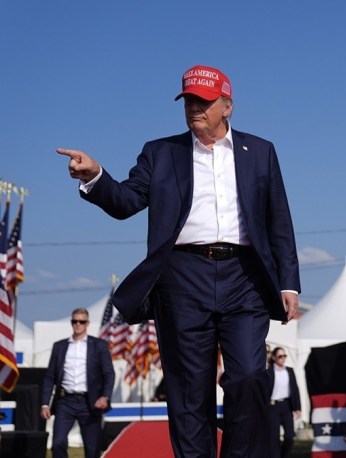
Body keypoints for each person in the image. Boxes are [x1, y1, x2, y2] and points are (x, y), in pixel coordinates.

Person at [56, 65, 300, 457]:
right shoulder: (160, 152)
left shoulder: (260, 151)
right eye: (188, 101)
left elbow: (279, 221)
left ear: (227, 106)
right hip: (182, 279)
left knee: (249, 377)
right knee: (188, 391)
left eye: (203, 101)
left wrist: (288, 283)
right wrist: (96, 176)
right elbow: (126, 202)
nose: (194, 108)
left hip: (246, 277)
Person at [40, 308, 115, 458]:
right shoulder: (59, 346)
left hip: (90, 403)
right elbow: (50, 377)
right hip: (65, 402)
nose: (78, 324)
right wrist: (44, 404)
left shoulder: (99, 345)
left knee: (92, 448)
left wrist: (105, 396)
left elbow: (109, 373)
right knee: (58, 443)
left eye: (81, 321)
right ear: (71, 322)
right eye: (75, 321)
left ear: (87, 323)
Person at [267, 346, 301, 458]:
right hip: (273, 406)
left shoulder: (289, 371)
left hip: (286, 406)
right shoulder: (269, 372)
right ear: (274, 357)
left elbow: (295, 390)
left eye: (284, 356)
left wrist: (298, 408)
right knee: (273, 437)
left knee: (290, 436)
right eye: (280, 356)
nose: (283, 358)